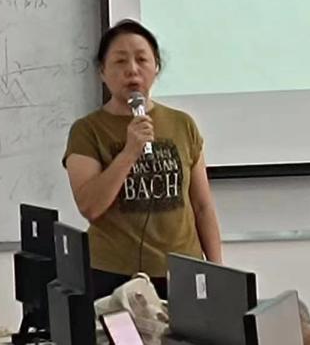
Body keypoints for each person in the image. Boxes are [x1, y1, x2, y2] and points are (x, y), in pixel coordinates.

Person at [62, 19, 222, 300]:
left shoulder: (182, 124)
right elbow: (90, 206)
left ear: (156, 67)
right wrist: (129, 152)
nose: (132, 70)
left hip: (182, 270)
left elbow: (202, 206)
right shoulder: (87, 131)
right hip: (113, 274)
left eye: (142, 59)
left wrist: (217, 270)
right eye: (120, 61)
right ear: (102, 71)